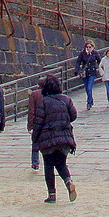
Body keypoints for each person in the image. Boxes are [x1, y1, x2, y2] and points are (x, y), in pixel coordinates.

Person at [32, 75, 77, 203]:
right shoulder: (67, 100)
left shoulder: (43, 101)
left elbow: (38, 123)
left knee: (48, 166)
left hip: (48, 138)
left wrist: (35, 140)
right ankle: (68, 182)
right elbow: (73, 116)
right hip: (64, 137)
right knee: (61, 163)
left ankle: (52, 194)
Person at [27, 79, 46, 171]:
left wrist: (30, 126)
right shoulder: (49, 93)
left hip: (37, 122)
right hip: (47, 122)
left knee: (35, 143)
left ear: (38, 85)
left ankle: (35, 163)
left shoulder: (34, 94)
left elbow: (31, 111)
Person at [75, 41, 99, 109]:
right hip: (85, 73)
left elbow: (99, 61)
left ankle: (89, 102)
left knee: (89, 87)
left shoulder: (95, 53)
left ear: (92, 47)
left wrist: (102, 69)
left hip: (92, 72)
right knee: (86, 88)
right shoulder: (82, 54)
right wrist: (76, 70)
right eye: (87, 47)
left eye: (89, 47)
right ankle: (90, 100)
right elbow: (78, 62)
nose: (88, 48)